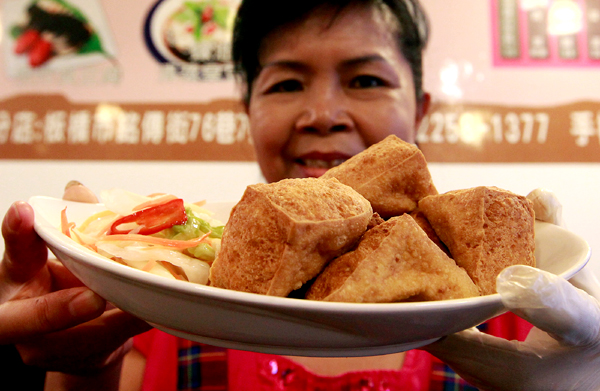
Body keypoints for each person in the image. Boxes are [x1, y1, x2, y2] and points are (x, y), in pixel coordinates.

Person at [2, 0, 600, 390]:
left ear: (418, 109)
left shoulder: (509, 315)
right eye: (287, 83)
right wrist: (86, 359)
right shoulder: (170, 304)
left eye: (365, 80)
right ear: (248, 113)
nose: (322, 113)